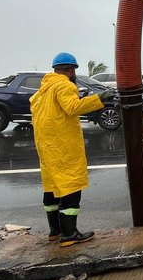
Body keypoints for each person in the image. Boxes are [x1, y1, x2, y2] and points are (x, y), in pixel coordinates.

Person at [30, 52, 114, 246]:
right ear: (71, 70)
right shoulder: (65, 85)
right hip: (63, 146)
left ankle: (55, 231)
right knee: (70, 187)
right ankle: (69, 235)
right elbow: (72, 107)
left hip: (46, 147)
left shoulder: (41, 91)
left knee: (51, 188)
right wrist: (99, 98)